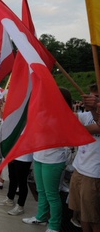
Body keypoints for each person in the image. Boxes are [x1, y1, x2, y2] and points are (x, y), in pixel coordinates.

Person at [22, 88, 73, 232]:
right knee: (41, 191)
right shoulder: (45, 112)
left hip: (54, 159)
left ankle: (55, 225)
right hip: (39, 156)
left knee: (52, 194)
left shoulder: (66, 116)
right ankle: (41, 217)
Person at [68, 84, 100, 232]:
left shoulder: (92, 113)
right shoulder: (86, 115)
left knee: (94, 218)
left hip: (93, 175)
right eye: (91, 96)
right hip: (79, 169)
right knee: (82, 215)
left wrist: (95, 109)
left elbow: (95, 127)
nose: (92, 99)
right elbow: (68, 118)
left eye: (97, 97)